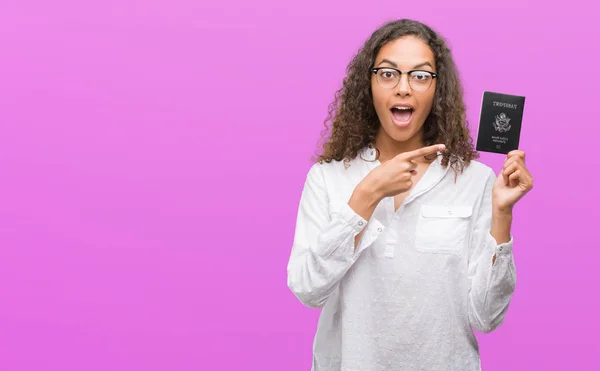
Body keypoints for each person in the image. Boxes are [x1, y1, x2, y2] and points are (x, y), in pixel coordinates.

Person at [286, 19, 533, 371]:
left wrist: (502, 216)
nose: (403, 88)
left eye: (420, 75)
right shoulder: (327, 178)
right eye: (388, 73)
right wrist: (366, 195)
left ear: (437, 90)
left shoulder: (476, 180)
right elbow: (308, 289)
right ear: (368, 84)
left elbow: (485, 317)